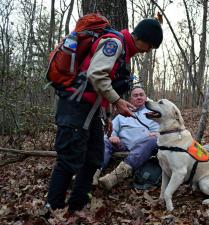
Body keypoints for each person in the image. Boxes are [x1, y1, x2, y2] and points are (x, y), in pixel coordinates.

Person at [45, 18, 163, 214]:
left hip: (90, 111)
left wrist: (108, 115)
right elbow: (96, 75)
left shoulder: (124, 53)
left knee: (94, 157)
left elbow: (102, 86)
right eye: (149, 46)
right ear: (141, 38)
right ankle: (52, 208)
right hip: (75, 106)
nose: (147, 51)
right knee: (69, 157)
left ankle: (77, 205)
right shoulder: (114, 43)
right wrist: (117, 101)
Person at [96, 87, 159, 190]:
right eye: (135, 95)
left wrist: (157, 134)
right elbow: (111, 130)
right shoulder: (122, 114)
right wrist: (112, 136)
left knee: (153, 140)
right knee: (105, 141)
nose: (139, 97)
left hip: (144, 145)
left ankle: (115, 177)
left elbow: (164, 130)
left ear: (145, 97)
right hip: (122, 144)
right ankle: (93, 172)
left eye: (141, 95)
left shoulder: (154, 112)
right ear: (130, 99)